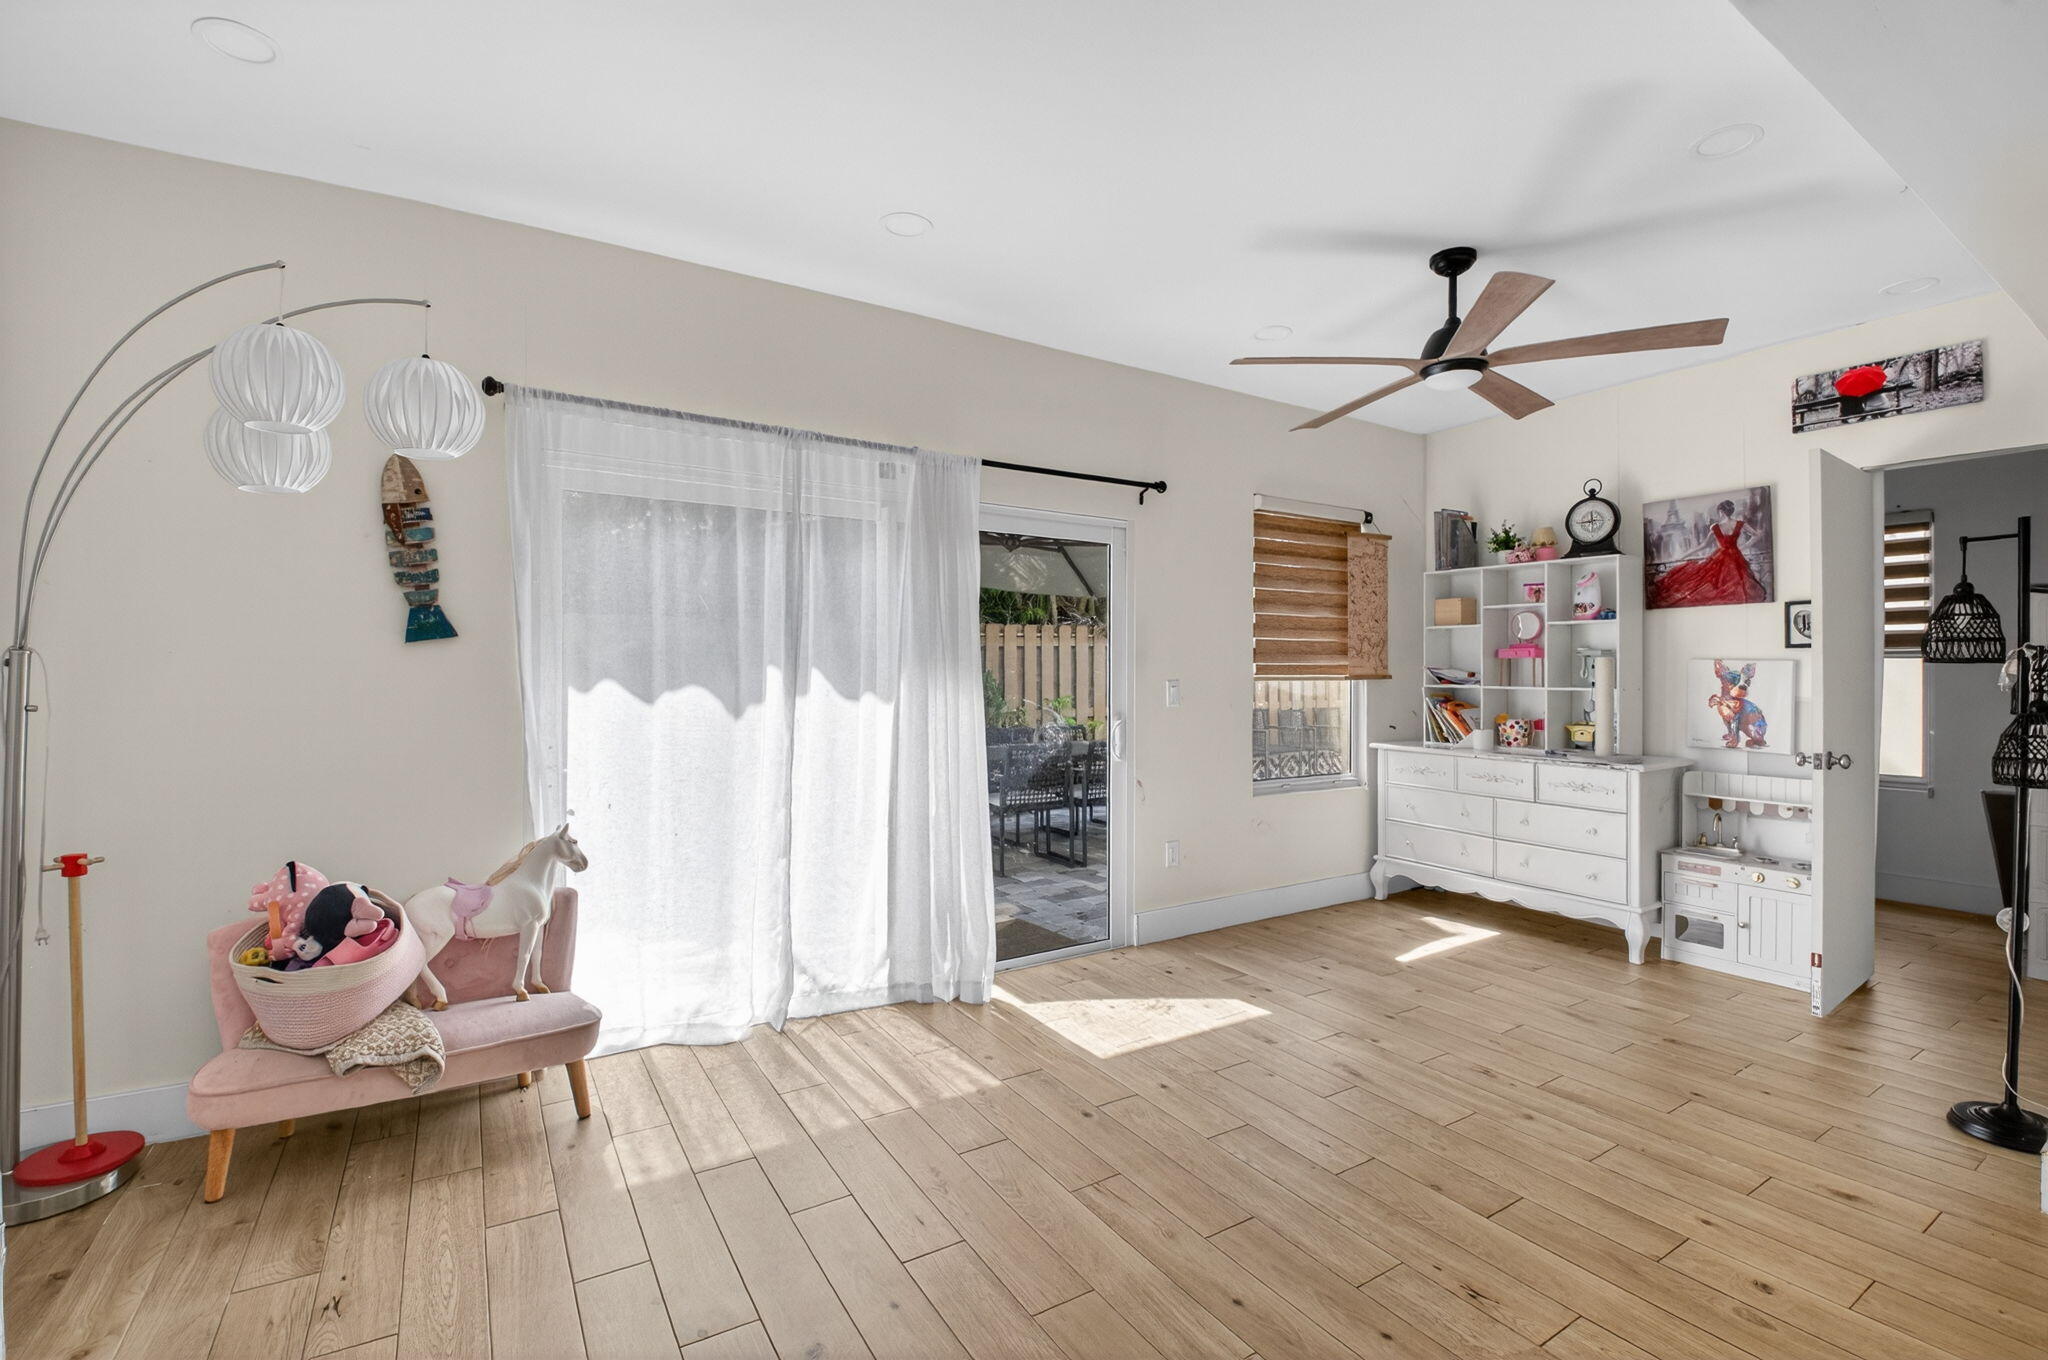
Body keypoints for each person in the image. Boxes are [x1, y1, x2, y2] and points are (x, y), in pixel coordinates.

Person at [1652, 501, 1767, 607]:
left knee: (1716, 585)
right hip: (1736, 557)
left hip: (1720, 558)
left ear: (1721, 512)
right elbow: (1757, 535)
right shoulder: (1740, 524)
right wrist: (1743, 547)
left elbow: (1703, 546)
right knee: (1735, 586)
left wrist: (1684, 556)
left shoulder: (1715, 527)